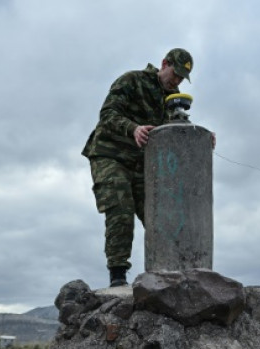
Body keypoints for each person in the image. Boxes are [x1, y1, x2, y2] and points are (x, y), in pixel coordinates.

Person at [83, 47, 199, 287]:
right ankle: (117, 276)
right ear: (164, 64)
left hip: (140, 162)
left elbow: (176, 131)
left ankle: (169, 271)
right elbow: (108, 114)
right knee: (121, 206)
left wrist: (201, 138)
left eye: (181, 78)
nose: (176, 81)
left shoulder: (172, 100)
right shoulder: (132, 81)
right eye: (174, 74)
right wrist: (133, 128)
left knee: (159, 213)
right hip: (110, 154)